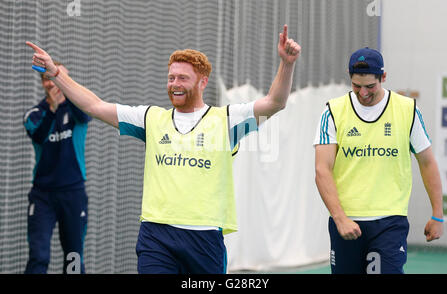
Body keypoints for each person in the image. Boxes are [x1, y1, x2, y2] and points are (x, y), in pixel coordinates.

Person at [26, 24, 301, 274]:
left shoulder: (226, 120)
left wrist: (286, 64)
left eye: (182, 78)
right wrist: (56, 74)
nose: (174, 84)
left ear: (203, 82)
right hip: (156, 234)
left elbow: (274, 103)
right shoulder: (151, 118)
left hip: (204, 237)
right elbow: (94, 106)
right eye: (171, 78)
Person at [313, 47, 444, 274]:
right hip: (346, 223)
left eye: (370, 86)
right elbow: (322, 170)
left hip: (390, 222)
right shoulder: (333, 112)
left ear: (383, 77)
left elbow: (427, 162)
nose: (363, 93)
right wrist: (340, 218)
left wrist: (437, 214)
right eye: (356, 86)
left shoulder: (407, 110)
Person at [23, 62, 91, 274]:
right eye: (48, 79)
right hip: (43, 196)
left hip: (73, 193)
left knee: (73, 255)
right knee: (39, 255)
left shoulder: (77, 110)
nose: (53, 83)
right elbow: (39, 135)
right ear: (44, 83)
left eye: (57, 78)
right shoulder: (35, 114)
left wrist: (66, 87)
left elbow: (85, 116)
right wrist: (52, 109)